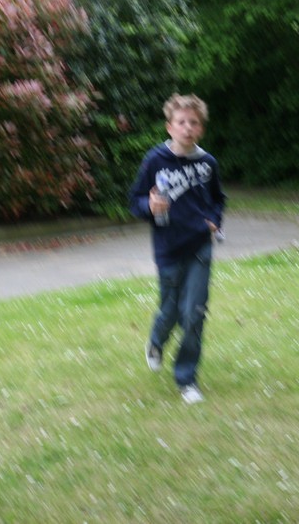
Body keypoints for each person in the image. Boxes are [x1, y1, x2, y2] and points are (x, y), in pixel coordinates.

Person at [128, 93, 226, 404]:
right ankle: (156, 341)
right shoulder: (155, 160)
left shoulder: (207, 163)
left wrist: (214, 221)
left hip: (199, 247)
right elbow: (134, 201)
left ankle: (187, 379)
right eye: (181, 122)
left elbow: (218, 200)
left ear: (201, 129)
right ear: (169, 127)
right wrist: (150, 206)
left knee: (194, 313)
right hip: (168, 248)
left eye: (193, 123)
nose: (187, 128)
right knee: (170, 310)